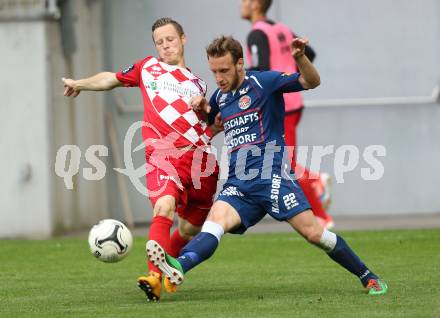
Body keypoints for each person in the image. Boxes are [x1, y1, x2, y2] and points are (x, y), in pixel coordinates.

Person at [146, 36, 388, 296]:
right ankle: (179, 266)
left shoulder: (265, 82)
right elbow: (210, 120)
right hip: (239, 182)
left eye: (224, 70)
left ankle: (367, 275)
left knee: (315, 234)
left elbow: (312, 81)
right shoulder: (220, 96)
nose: (219, 78)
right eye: (214, 71)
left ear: (240, 64)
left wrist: (299, 58)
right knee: (215, 223)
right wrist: (202, 107)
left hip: (273, 178)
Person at [62, 17, 223, 302]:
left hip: (201, 163)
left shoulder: (198, 84)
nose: (165, 46)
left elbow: (207, 126)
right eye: (159, 42)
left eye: (170, 39)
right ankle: (154, 278)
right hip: (163, 156)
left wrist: (208, 112)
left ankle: (167, 269)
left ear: (183, 39)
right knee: (164, 206)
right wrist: (80, 83)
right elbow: (110, 78)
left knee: (189, 229)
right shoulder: (148, 67)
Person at [240, 0, 334, 228]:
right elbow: (308, 53)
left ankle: (322, 216)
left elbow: (260, 68)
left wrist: (240, 81)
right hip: (294, 102)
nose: (241, 4)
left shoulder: (256, 34)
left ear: (255, 4)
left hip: (280, 107)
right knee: (281, 160)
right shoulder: (281, 28)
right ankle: (315, 179)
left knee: (285, 165)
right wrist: (291, 71)